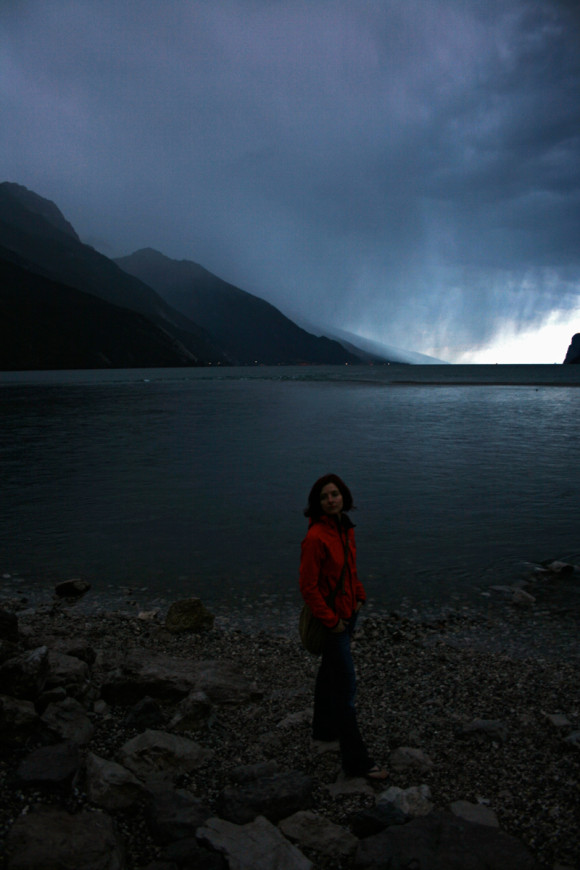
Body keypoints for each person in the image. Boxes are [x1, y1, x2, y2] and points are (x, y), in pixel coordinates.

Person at [299, 473, 387, 780]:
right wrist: (333, 622)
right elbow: (308, 588)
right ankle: (357, 762)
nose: (331, 499)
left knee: (329, 674)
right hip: (334, 621)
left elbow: (349, 569)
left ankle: (323, 732)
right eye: (324, 496)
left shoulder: (344, 528)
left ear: (343, 496)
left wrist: (360, 595)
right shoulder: (315, 538)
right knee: (346, 687)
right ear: (318, 503)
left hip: (350, 613)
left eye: (335, 494)